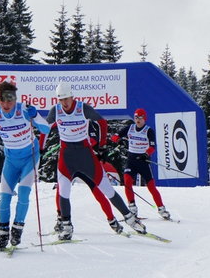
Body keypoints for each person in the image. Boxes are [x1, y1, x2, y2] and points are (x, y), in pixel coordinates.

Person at [45, 82, 146, 240]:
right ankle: (66, 226)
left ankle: (130, 219)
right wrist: (39, 146)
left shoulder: (82, 108)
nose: (65, 102)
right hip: (66, 156)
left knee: (107, 189)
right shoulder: (55, 111)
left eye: (67, 98)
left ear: (72, 96)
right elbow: (45, 128)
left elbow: (102, 123)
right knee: (63, 192)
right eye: (61, 99)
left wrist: (102, 147)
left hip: (86, 155)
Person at [0, 81, 50, 249]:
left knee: (23, 192)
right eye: (2, 100)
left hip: (30, 158)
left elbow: (46, 129)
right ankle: (2, 235)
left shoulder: (24, 110)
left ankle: (17, 229)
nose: (6, 104)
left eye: (10, 100)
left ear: (15, 99)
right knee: (4, 197)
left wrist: (35, 116)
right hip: (11, 160)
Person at [111, 108, 171, 220]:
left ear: (144, 119)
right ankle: (132, 208)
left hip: (143, 161)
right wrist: (119, 140)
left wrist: (146, 154)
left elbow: (152, 146)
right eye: (136, 118)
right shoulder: (130, 128)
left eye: (140, 118)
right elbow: (114, 137)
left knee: (151, 187)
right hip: (131, 160)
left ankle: (161, 209)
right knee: (127, 181)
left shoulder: (149, 131)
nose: (138, 120)